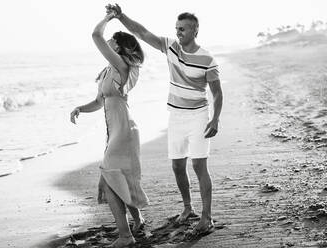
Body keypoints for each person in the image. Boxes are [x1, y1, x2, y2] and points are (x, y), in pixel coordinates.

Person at [106, 4, 223, 236]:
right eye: (177, 28)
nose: (178, 32)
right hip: (176, 116)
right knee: (177, 166)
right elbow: (142, 33)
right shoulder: (171, 47)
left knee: (199, 166)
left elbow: (217, 93)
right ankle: (188, 207)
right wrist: (121, 16)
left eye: (183, 29)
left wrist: (215, 119)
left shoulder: (207, 58)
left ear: (195, 31)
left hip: (199, 116)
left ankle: (206, 217)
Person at [70, 10, 148, 248]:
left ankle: (125, 236)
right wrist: (79, 109)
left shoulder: (121, 65)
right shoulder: (107, 71)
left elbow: (95, 35)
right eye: (110, 39)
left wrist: (108, 18)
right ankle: (138, 220)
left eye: (113, 40)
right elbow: (99, 102)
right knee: (120, 176)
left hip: (124, 131)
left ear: (120, 47)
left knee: (109, 175)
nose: (109, 42)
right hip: (114, 131)